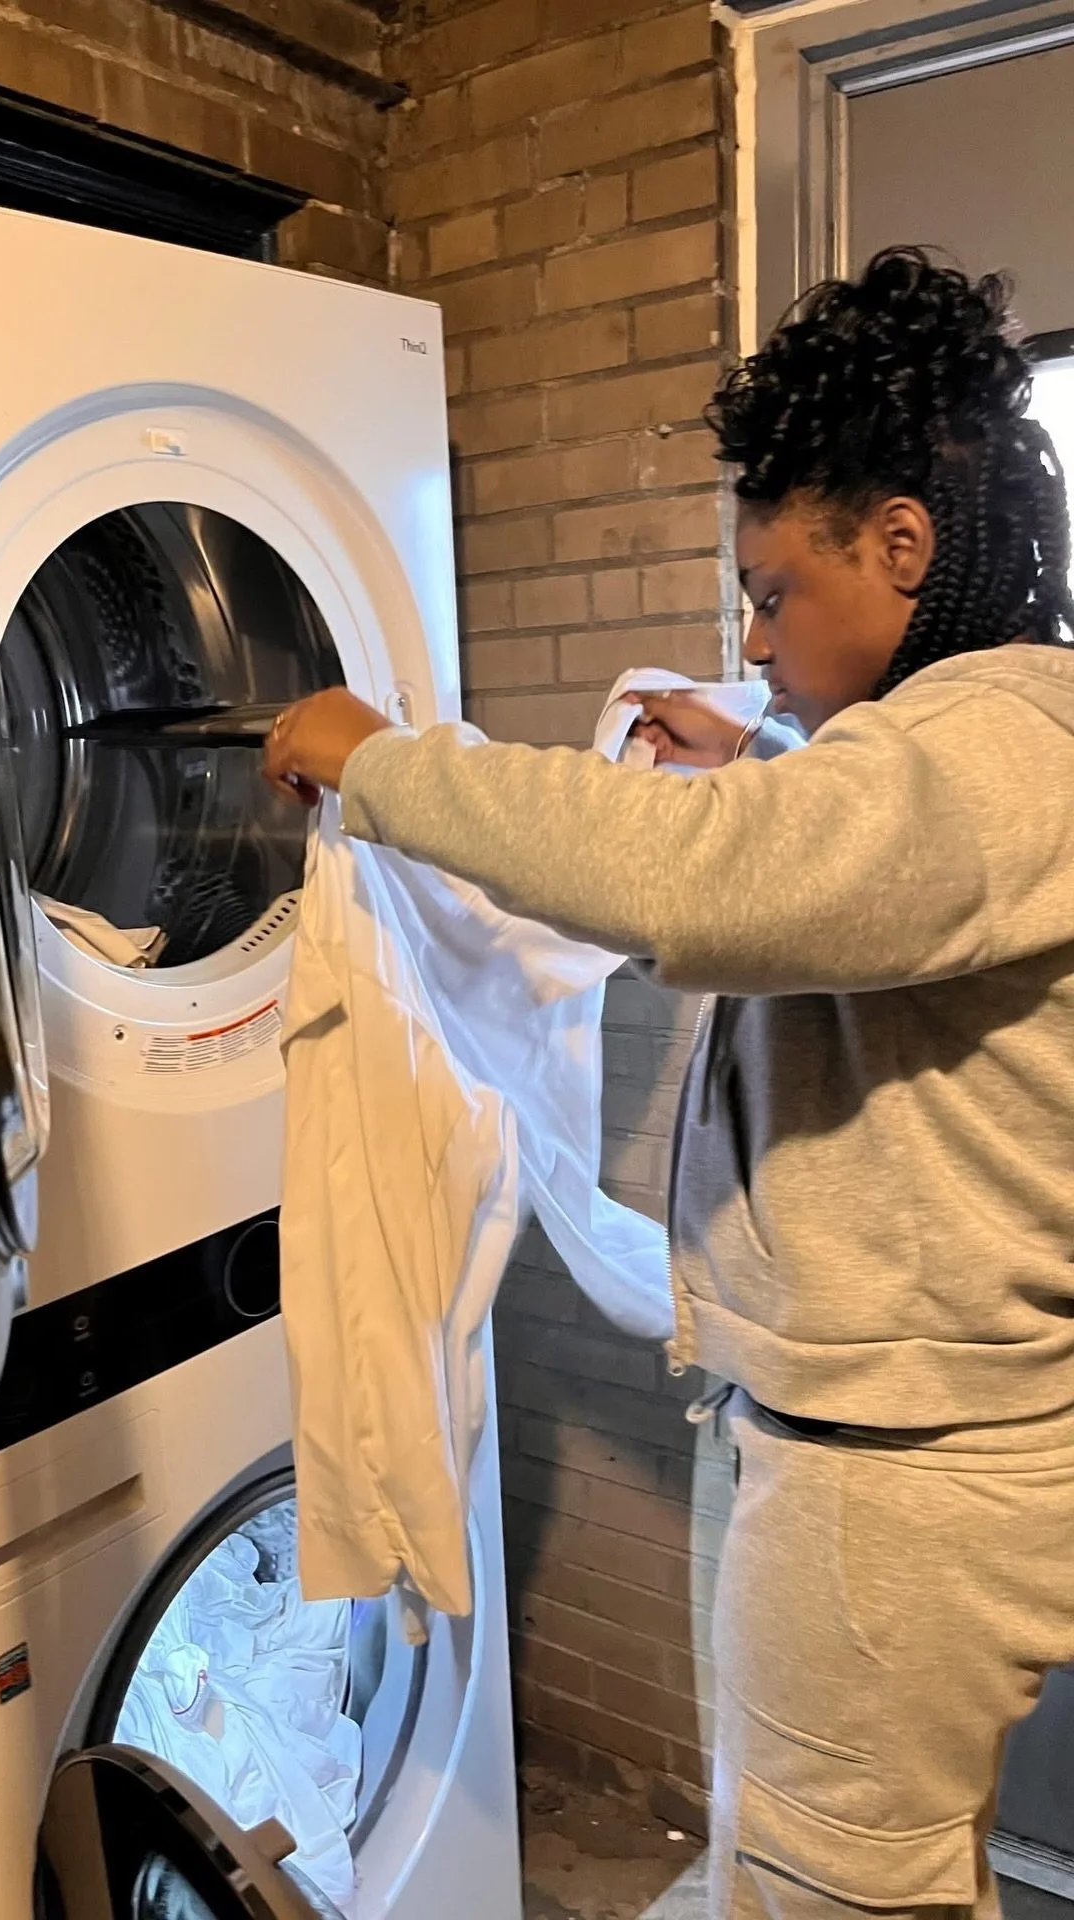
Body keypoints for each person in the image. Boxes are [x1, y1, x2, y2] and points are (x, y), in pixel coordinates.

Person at [261, 248, 1074, 1918]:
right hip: (878, 1438)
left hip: (900, 1478)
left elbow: (700, 883)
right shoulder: (953, 755)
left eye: (774, 593)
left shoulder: (1002, 749)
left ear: (904, 547)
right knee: (815, 1849)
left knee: (831, 1891)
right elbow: (840, 889)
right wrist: (769, 769)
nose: (755, 643)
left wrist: (382, 761)